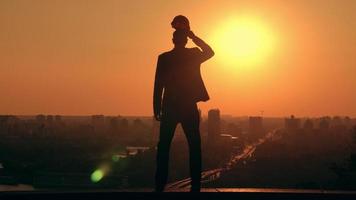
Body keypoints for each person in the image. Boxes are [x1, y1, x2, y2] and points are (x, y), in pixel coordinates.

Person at [153, 22, 214, 192]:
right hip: (187, 105)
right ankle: (196, 185)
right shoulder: (193, 55)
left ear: (173, 39)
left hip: (170, 106)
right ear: (186, 40)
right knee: (194, 146)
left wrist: (156, 108)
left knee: (164, 147)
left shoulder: (164, 58)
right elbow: (210, 52)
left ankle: (160, 185)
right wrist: (194, 36)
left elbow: (158, 85)